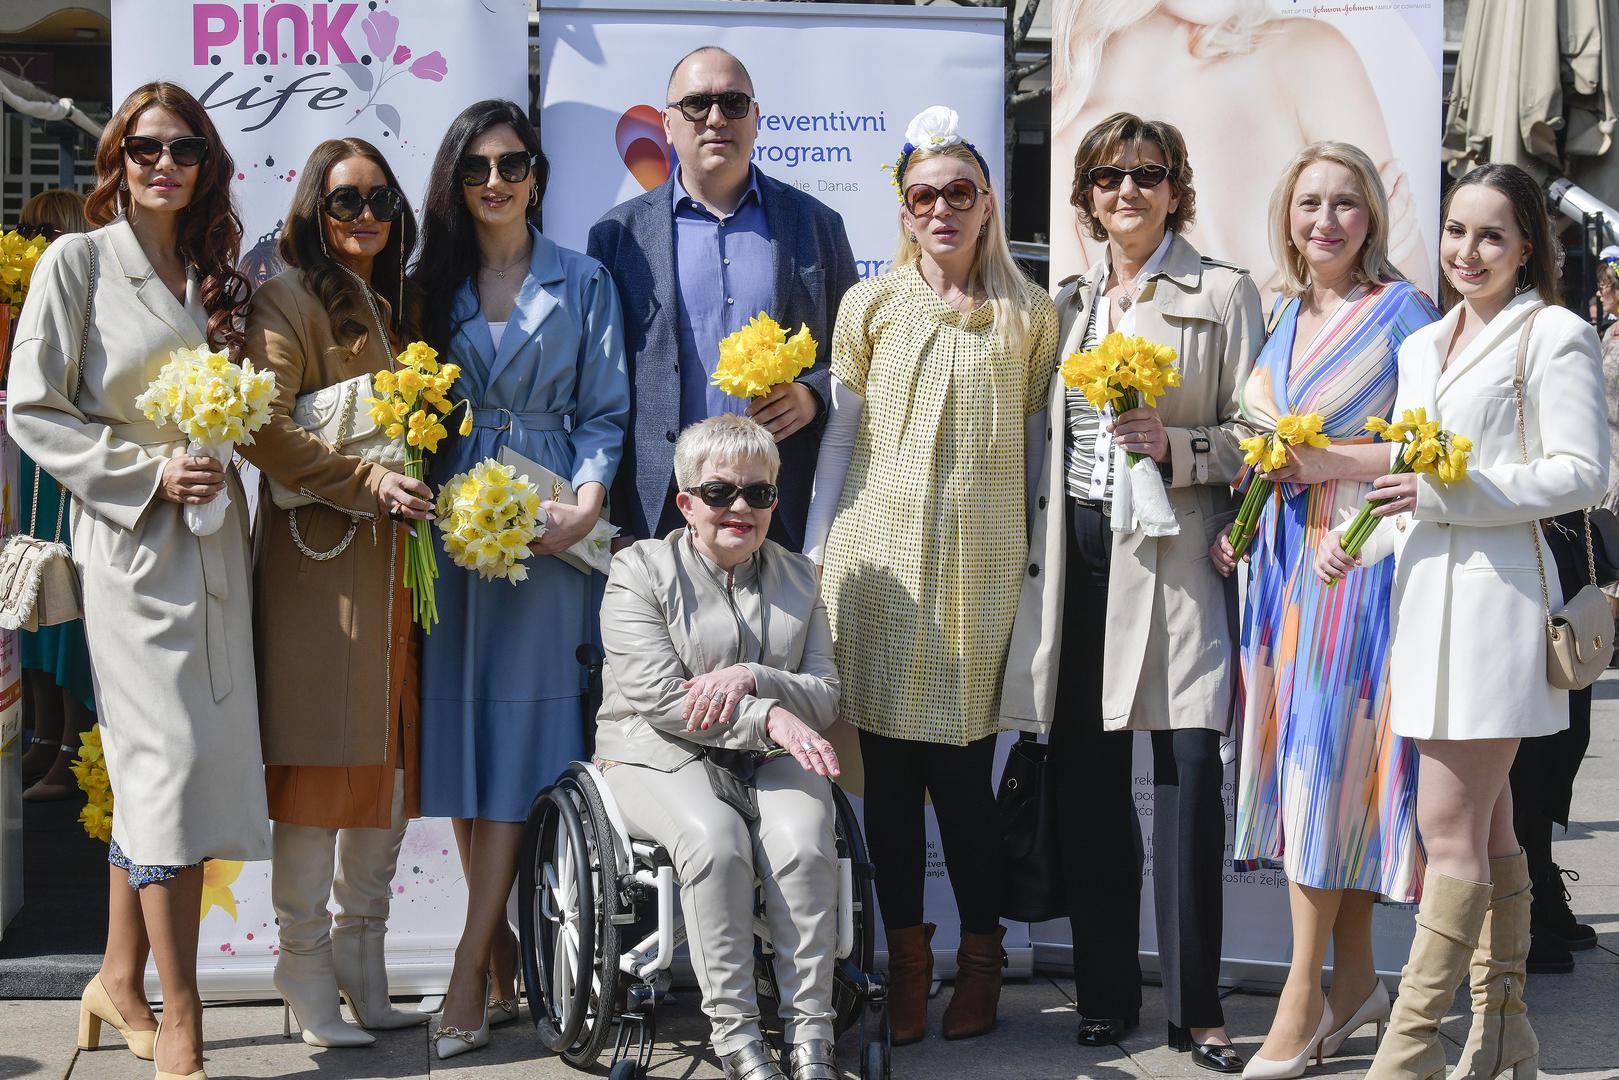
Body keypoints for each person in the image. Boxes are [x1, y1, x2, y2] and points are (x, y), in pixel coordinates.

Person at [1317, 162, 1608, 1080]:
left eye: (1490, 234)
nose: (1466, 251)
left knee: (1444, 827)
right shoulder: (1421, 344)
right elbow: (1407, 479)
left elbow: (1581, 474)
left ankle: (1405, 1057)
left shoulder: (1552, 334)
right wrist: (1352, 543)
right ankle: (1501, 1034)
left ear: (1527, 247)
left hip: (1496, 605)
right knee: (1485, 833)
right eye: (1453, 231)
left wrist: (1450, 492)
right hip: (1423, 600)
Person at [6, 81, 270, 1080]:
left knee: (174, 768)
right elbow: (34, 408)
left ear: (207, 166)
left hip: (212, 548)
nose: (167, 163)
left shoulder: (213, 272)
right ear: (119, 153)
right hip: (129, 547)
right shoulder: (78, 262)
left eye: (187, 149)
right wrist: (147, 471)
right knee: (163, 773)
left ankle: (116, 977)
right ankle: (182, 1015)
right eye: (149, 146)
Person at [1001, 111, 1262, 1070]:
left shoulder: (1224, 293)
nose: (1127, 191)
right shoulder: (1062, 302)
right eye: (1108, 177)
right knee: (1091, 786)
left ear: (1175, 188)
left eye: (1147, 175)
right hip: (1075, 559)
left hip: (1178, 557)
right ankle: (1106, 993)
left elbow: (1257, 438)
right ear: (1084, 196)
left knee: (1188, 779)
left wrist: (1181, 446)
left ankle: (1197, 1010)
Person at [807, 105, 1057, 1045]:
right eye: (924, 196)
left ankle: (980, 963)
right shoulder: (866, 305)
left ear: (987, 202)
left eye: (960, 193)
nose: (942, 209)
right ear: (903, 211)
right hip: (878, 571)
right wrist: (817, 547)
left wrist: (1038, 572)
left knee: (963, 785)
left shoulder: (1031, 315)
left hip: (983, 580)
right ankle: (905, 968)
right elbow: (840, 432)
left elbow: (1037, 448)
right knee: (894, 785)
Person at [1208, 142, 1436, 1079]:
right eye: (1309, 204)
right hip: (1280, 574)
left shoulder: (1405, 313)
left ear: (1371, 216)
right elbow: (1270, 441)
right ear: (1287, 215)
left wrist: (1328, 463)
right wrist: (1247, 512)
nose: (1325, 221)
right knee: (1323, 779)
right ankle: (1354, 983)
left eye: (1345, 204)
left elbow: (1431, 450)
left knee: (1318, 776)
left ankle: (1298, 1003)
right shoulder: (1281, 312)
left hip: (1358, 573)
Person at [410, 98, 630, 1060]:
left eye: (512, 164)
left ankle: (467, 972)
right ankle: (497, 951)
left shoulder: (583, 281)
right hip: (456, 538)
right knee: (464, 740)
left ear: (537, 174)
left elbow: (605, 410)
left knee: (523, 739)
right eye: (476, 170)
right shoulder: (430, 285)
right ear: (456, 184)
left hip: (544, 536)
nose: (495, 183)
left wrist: (583, 504)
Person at [239, 138, 431, 1047]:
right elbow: (260, 431)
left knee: (383, 769)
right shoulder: (287, 296)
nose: (364, 217)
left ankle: (363, 954)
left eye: (380, 200)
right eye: (346, 199)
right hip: (321, 570)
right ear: (313, 206)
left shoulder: (392, 303)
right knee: (321, 769)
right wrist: (369, 482)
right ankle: (303, 964)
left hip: (389, 570)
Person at [597, 413, 843, 1080]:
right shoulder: (637, 571)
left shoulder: (800, 577)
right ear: (685, 502)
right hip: (652, 750)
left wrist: (752, 677)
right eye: (719, 493)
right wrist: (768, 714)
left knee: (802, 843)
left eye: (758, 495)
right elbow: (660, 698)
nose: (739, 509)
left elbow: (824, 695)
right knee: (716, 842)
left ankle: (811, 1038)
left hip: (770, 757)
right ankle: (738, 1041)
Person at [588, 45, 858, 552]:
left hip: (781, 499)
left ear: (756, 119)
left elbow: (853, 357)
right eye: (696, 104)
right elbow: (601, 381)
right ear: (668, 124)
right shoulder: (616, 236)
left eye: (734, 103)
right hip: (659, 505)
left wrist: (813, 394)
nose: (716, 118)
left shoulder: (818, 225)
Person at [1048, 0, 1432, 298]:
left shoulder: (1307, 57)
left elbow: (1409, 308)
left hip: (1317, 395)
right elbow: (1086, 359)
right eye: (1113, 179)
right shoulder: (1068, 136)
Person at [12, 188, 96, 803]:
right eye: (24, 233)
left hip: (75, 469)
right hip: (30, 463)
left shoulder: (82, 286)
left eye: (43, 233)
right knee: (30, 597)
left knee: (68, 604)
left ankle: (72, 741)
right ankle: (42, 734)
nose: (31, 245)